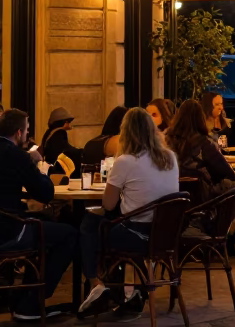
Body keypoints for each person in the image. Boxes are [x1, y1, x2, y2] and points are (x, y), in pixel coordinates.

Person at [0, 109, 76, 321]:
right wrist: (38, 165)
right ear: (19, 133)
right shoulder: (17, 156)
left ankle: (23, 298)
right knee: (69, 234)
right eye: (27, 130)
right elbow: (45, 193)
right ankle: (30, 304)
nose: (27, 135)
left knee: (45, 224)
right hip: (6, 234)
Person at [77, 108, 180, 316]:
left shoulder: (125, 161)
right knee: (110, 227)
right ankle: (125, 295)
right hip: (166, 237)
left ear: (126, 133)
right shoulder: (170, 157)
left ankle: (96, 284)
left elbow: (108, 204)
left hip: (136, 236)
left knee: (90, 225)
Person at [165, 100, 235, 256]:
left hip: (175, 194)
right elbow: (226, 172)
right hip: (203, 197)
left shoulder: (167, 140)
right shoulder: (203, 143)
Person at [40, 107, 83, 176]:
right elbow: (65, 149)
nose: (69, 124)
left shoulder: (48, 133)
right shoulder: (59, 132)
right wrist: (80, 152)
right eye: (67, 122)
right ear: (63, 122)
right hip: (57, 170)